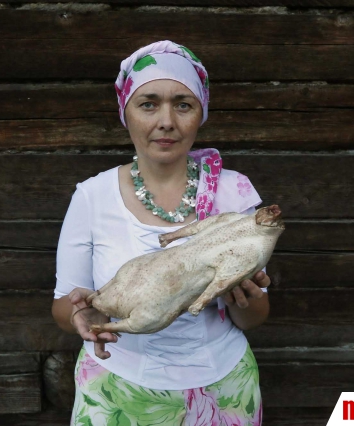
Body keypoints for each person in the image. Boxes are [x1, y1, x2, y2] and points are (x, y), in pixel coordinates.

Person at [52, 40, 271, 425]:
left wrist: (244, 297)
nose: (166, 121)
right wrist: (81, 314)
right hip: (116, 390)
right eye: (148, 103)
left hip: (224, 388)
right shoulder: (93, 197)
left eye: (183, 104)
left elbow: (254, 316)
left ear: (200, 113)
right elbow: (62, 306)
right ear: (126, 112)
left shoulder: (234, 193)